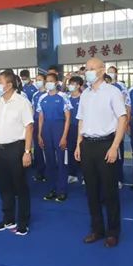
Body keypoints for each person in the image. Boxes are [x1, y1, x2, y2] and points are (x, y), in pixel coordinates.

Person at [75, 58, 127, 248]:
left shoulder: (113, 92)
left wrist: (114, 147)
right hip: (87, 145)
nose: (87, 72)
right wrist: (78, 144)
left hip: (106, 144)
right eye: (86, 69)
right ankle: (97, 229)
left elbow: (122, 119)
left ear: (102, 70)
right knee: (91, 191)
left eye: (91, 69)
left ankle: (113, 232)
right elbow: (80, 120)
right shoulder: (85, 94)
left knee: (109, 191)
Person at [0, 69, 34, 236]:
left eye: (0, 82)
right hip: (0, 149)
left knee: (20, 186)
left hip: (16, 148)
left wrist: (27, 151)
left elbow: (29, 127)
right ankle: (8, 218)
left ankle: (23, 222)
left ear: (9, 85)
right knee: (4, 186)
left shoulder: (22, 102)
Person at [38, 73, 72, 201]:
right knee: (50, 162)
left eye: (51, 81)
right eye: (47, 81)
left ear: (57, 82)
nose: (48, 83)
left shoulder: (63, 97)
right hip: (46, 130)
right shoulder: (42, 98)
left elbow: (68, 118)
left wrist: (64, 136)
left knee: (62, 162)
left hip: (59, 128)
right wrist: (39, 135)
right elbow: (41, 118)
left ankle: (62, 190)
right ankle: (51, 189)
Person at [66, 75, 83, 184]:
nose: (70, 86)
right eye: (70, 84)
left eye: (73, 84)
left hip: (82, 128)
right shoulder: (66, 98)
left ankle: (86, 176)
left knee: (84, 152)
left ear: (79, 86)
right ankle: (72, 174)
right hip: (70, 128)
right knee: (71, 151)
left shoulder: (84, 98)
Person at [31, 74, 47, 182]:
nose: (38, 82)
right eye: (36, 80)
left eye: (40, 80)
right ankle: (39, 171)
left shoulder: (48, 94)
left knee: (46, 148)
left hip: (47, 123)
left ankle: (48, 171)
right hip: (36, 123)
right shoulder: (35, 95)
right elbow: (33, 109)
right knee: (37, 149)